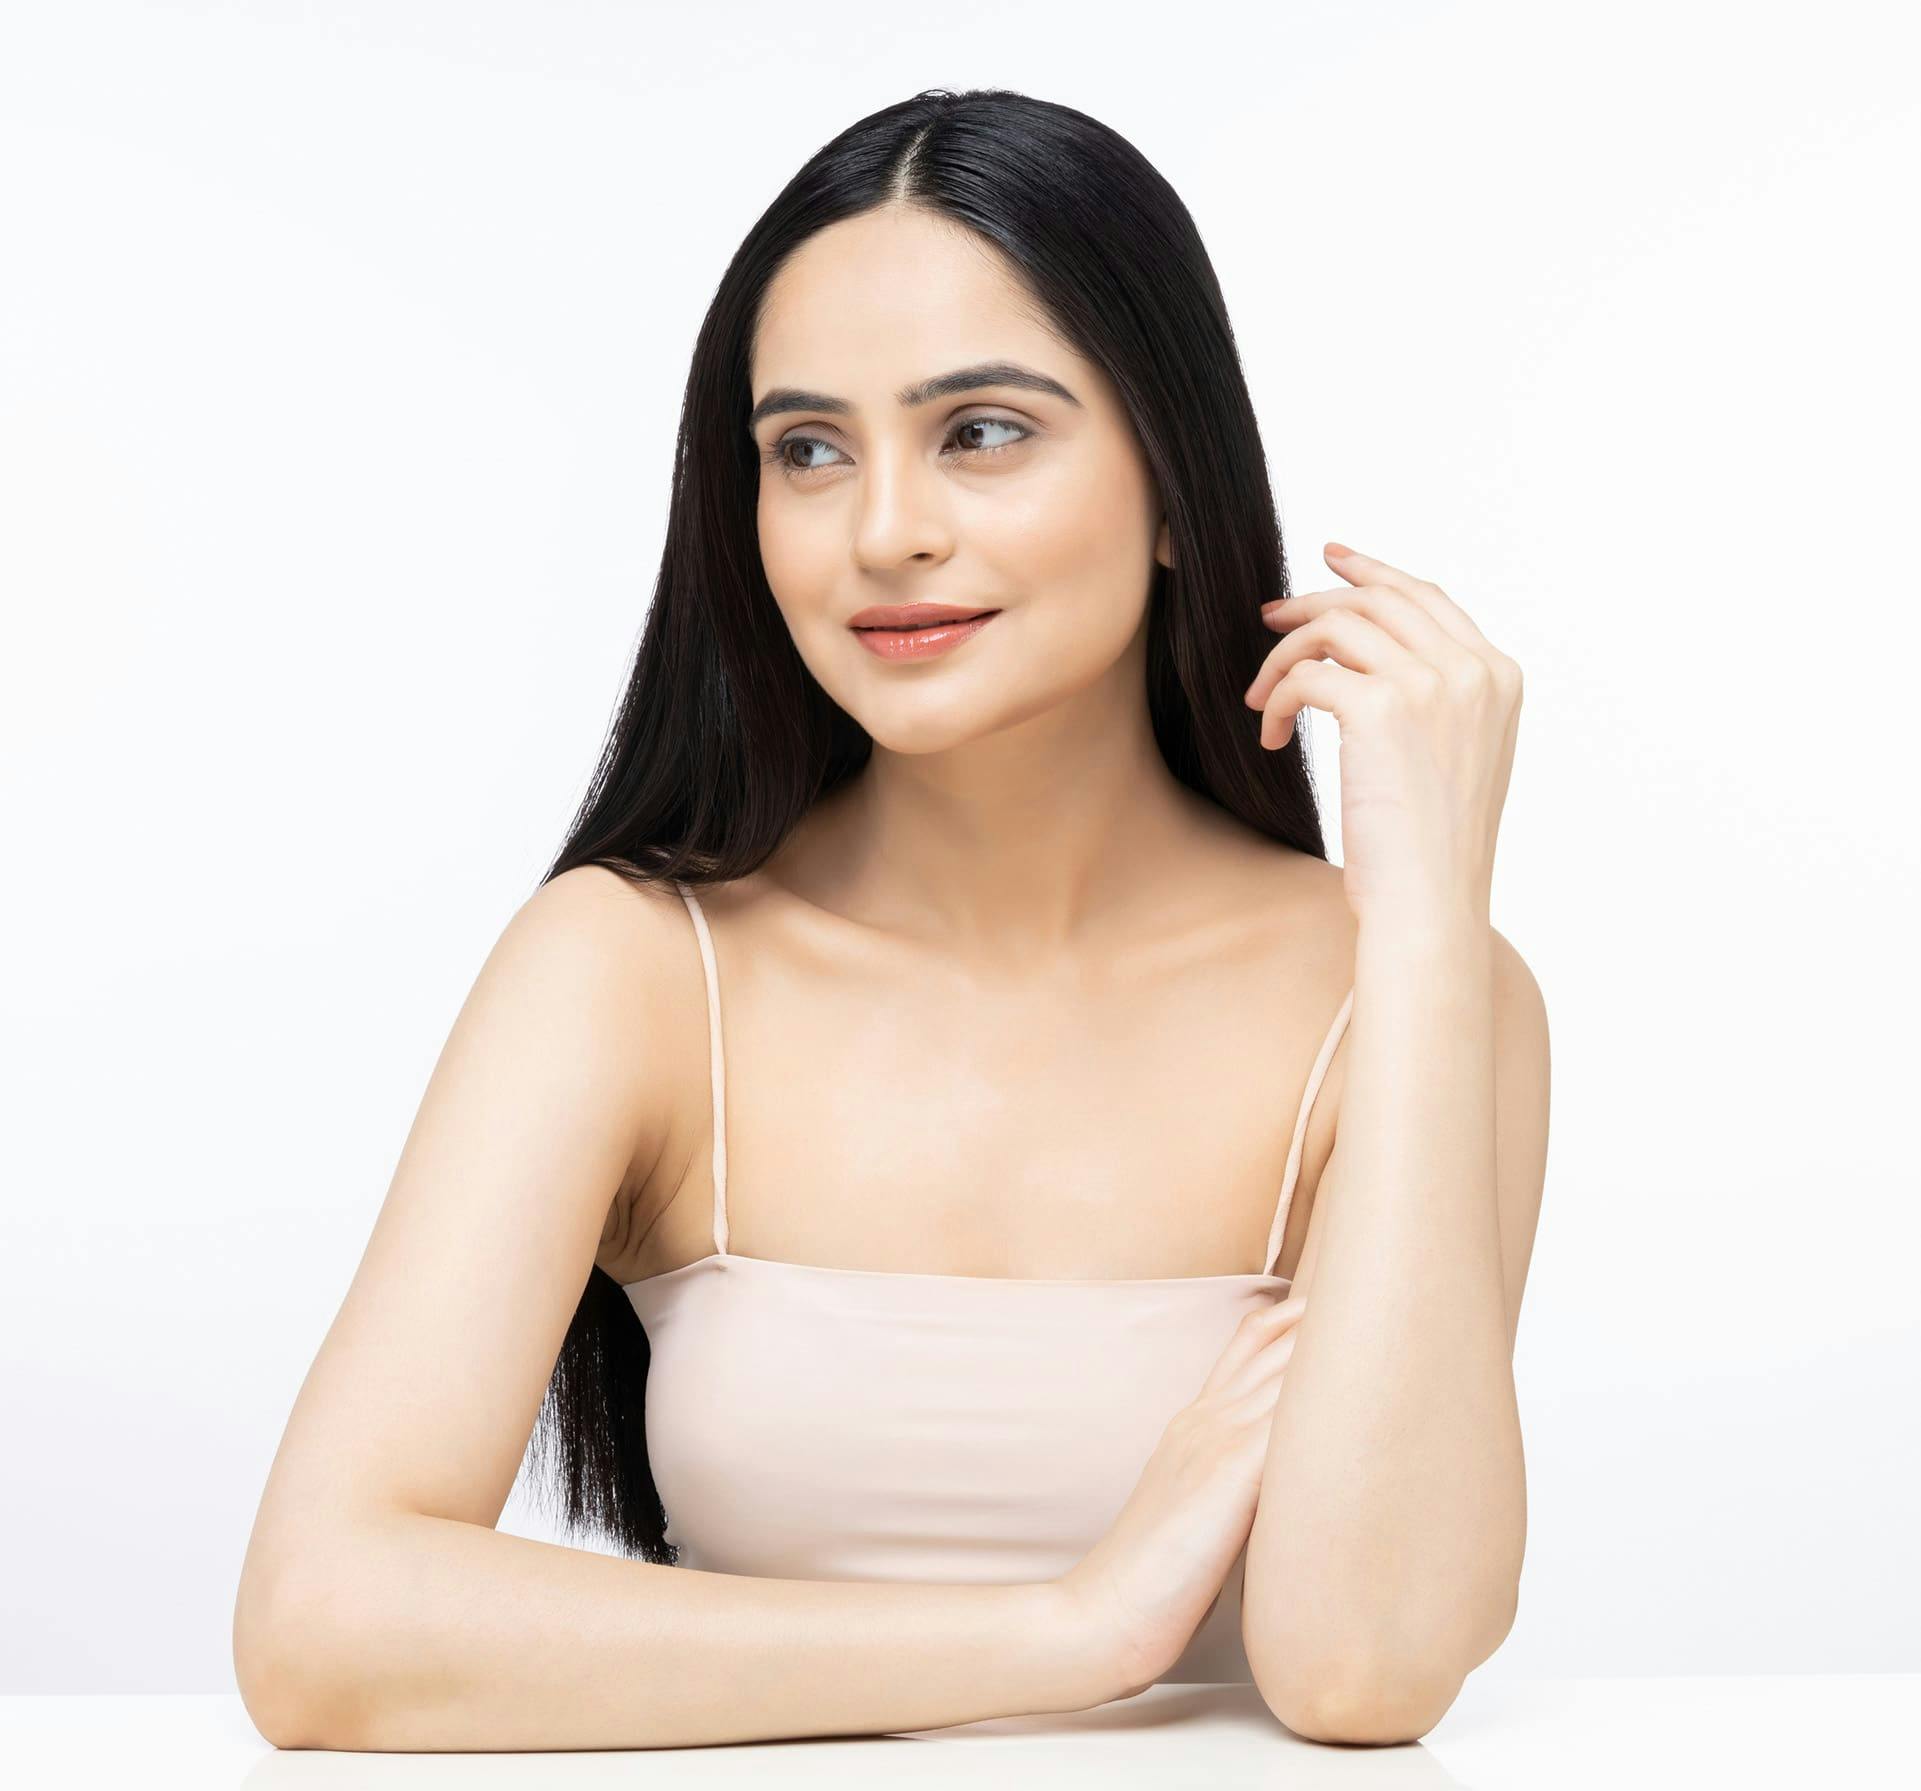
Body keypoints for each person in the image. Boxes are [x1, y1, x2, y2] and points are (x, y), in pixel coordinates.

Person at [232, 85, 1549, 1754]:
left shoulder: (1420, 1000)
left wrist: (1424, 920)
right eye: (807, 450)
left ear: (1172, 487)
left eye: (981, 430)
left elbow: (1367, 1662)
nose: (882, 532)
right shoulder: (629, 969)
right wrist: (1071, 1629)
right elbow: (321, 1630)